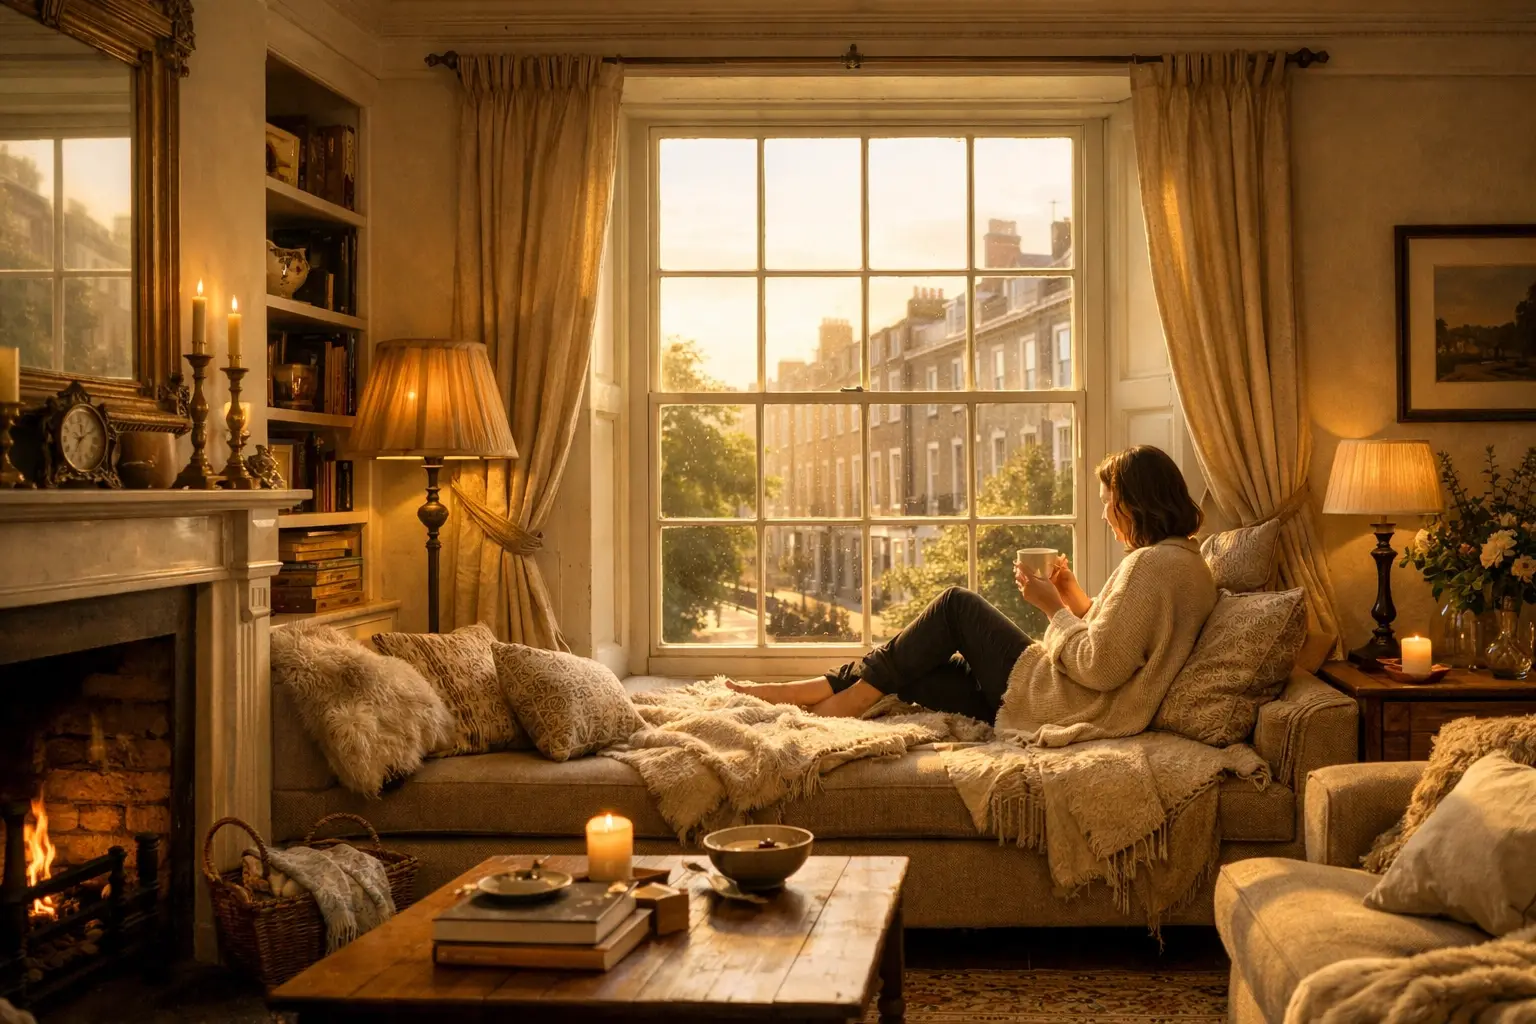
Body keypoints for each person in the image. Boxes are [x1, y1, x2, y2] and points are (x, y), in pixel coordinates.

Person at [728, 445, 1218, 746]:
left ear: (1134, 503)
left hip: (1059, 700)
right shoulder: (1185, 563)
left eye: (1109, 504)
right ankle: (809, 694)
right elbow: (1121, 643)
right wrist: (1072, 596)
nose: (1106, 516)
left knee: (955, 605)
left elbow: (1101, 666)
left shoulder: (1152, 565)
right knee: (913, 667)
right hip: (1052, 698)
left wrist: (1050, 608)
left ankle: (828, 696)